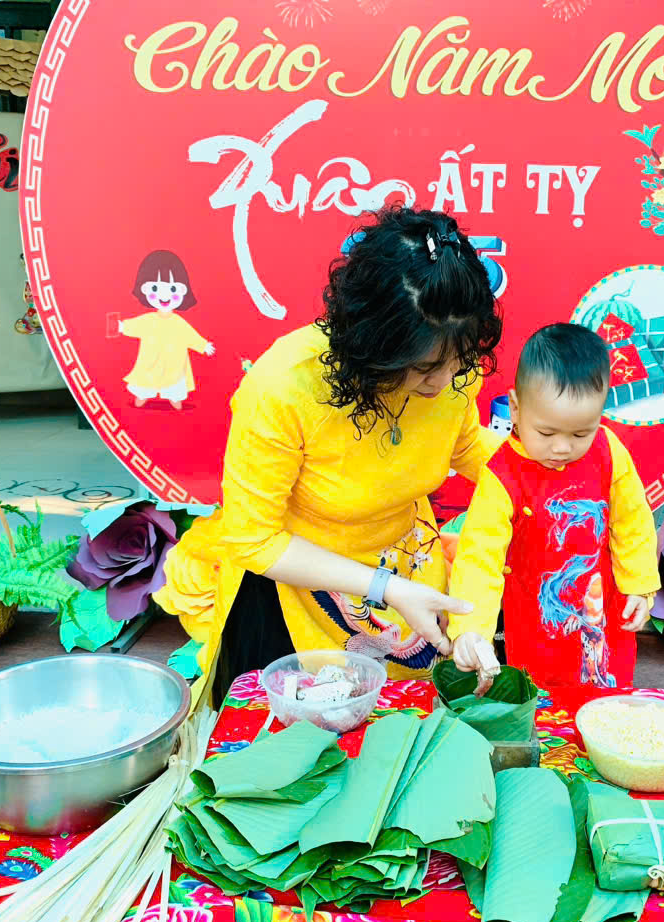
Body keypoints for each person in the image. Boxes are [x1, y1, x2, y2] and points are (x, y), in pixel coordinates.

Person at [171, 205, 505, 705]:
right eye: (424, 367)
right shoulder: (283, 388)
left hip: (408, 564)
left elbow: (467, 447)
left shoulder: (452, 369)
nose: (444, 380)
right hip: (294, 582)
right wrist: (387, 589)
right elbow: (254, 541)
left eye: (460, 360)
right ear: (373, 348)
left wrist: (556, 467)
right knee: (304, 728)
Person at [447, 323, 661, 692]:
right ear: (516, 409)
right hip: (537, 619)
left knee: (602, 689)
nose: (562, 448)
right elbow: (478, 558)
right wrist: (471, 629)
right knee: (541, 697)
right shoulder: (502, 475)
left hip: (601, 609)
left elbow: (633, 522)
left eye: (581, 433)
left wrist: (639, 587)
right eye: (546, 433)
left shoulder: (609, 451)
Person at [119, 249, 215, 410]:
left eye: (172, 289)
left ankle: (175, 401)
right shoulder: (148, 320)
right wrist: (122, 326)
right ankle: (141, 398)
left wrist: (203, 345)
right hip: (150, 362)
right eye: (155, 288)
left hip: (174, 363)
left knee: (175, 386)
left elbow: (190, 335)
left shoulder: (178, 323)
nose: (164, 295)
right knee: (144, 384)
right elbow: (134, 325)